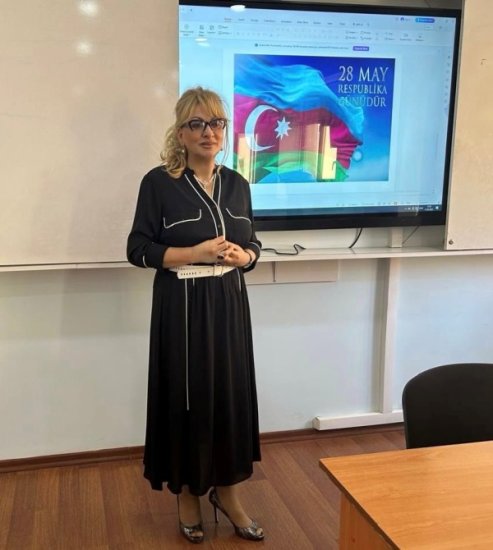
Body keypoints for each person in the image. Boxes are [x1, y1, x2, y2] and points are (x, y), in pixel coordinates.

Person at [127, 87, 264, 544]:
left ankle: (228, 492)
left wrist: (246, 256)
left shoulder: (238, 184)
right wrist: (194, 252)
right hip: (182, 309)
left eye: (217, 123)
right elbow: (138, 249)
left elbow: (253, 242)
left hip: (229, 303)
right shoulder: (159, 183)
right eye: (197, 124)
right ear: (181, 132)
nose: (209, 132)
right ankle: (187, 494)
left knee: (229, 396)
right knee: (187, 398)